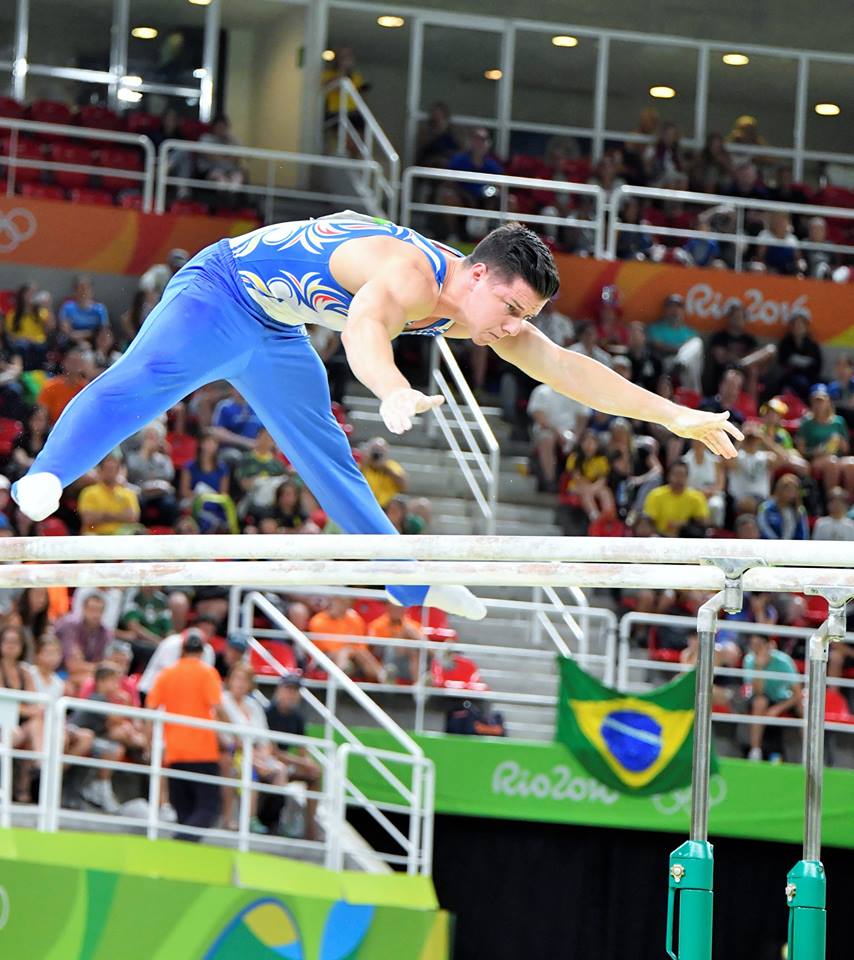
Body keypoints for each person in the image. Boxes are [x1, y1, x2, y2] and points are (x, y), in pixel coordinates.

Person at [12, 217, 740, 620]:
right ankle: (45, 476)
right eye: (513, 308)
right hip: (220, 290)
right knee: (144, 382)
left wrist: (673, 415)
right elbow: (364, 330)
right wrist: (391, 391)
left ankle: (408, 582)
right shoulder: (409, 274)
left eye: (526, 316)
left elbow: (568, 369)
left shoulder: (480, 312)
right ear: (477, 274)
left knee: (328, 457)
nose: (515, 326)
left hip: (276, 333)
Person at [146, 631, 226, 840]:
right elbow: (218, 706)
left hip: (175, 751)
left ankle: (181, 846)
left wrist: (148, 742)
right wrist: (232, 733)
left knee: (184, 811)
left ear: (182, 650)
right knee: (208, 808)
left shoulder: (167, 674)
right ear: (202, 651)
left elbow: (150, 709)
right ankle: (178, 842)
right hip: (203, 751)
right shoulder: (207, 672)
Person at [220, 662, 287, 833]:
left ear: (250, 684)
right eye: (237, 678)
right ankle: (249, 819)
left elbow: (265, 738)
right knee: (249, 768)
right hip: (234, 753)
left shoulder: (254, 705)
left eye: (244, 680)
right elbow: (226, 738)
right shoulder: (222, 701)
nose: (240, 683)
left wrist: (263, 756)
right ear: (230, 680)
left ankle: (272, 821)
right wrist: (253, 756)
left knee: (280, 770)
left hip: (256, 754)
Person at [67, 664, 132, 813]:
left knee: (116, 747)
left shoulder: (103, 699)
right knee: (111, 750)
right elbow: (116, 720)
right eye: (113, 681)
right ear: (101, 681)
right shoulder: (97, 699)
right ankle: (100, 789)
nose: (117, 686)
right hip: (77, 735)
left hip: (90, 738)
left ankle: (100, 787)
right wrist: (126, 702)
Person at [265, 675, 321, 841]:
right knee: (280, 771)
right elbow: (271, 751)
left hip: (283, 764)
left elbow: (302, 750)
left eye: (295, 691)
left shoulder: (297, 717)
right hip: (267, 763)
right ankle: (273, 823)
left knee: (314, 774)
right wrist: (301, 762)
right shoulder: (268, 713)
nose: (291, 694)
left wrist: (308, 764)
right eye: (288, 689)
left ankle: (311, 831)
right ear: (279, 691)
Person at [743, 633, 802, 761]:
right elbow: (758, 691)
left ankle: (810, 751)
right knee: (760, 702)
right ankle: (755, 752)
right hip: (761, 698)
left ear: (769, 646)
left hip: (782, 699)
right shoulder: (750, 660)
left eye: (759, 645)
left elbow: (798, 694)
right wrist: (758, 667)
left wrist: (777, 709)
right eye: (753, 645)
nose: (756, 649)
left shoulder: (784, 661)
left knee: (804, 706)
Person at [308, 595, 384, 682]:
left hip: (354, 656)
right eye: (334, 601)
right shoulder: (318, 621)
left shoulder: (355, 620)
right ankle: (338, 681)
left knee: (360, 654)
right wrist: (349, 648)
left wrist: (350, 649)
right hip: (324, 657)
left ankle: (383, 678)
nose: (334, 605)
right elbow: (330, 648)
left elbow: (361, 646)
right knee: (345, 652)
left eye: (339, 602)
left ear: (348, 604)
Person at [796, 384, 854, 497]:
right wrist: (814, 451)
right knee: (832, 462)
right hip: (815, 460)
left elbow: (846, 449)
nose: (819, 405)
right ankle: (832, 500)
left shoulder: (839, 422)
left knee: (851, 463)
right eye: (816, 401)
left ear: (828, 402)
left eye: (821, 401)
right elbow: (801, 451)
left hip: (836, 457)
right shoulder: (806, 423)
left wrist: (841, 442)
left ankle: (849, 501)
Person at [646, 294, 704, 393]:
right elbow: (658, 346)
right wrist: (682, 349)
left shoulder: (690, 332)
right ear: (665, 310)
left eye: (678, 307)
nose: (674, 310)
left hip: (685, 366)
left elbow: (695, 351)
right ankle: (693, 394)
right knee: (688, 362)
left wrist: (681, 354)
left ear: (683, 311)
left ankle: (681, 362)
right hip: (666, 362)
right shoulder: (656, 328)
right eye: (671, 307)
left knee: (697, 343)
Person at [77, 454, 141, 535]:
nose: (110, 473)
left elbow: (133, 518)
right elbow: (88, 519)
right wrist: (120, 516)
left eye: (113, 469)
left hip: (121, 535)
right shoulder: (88, 492)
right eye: (108, 469)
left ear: (118, 471)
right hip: (96, 535)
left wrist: (102, 516)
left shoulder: (128, 493)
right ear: (100, 471)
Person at [643, 460, 710, 537]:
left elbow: (704, 522)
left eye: (682, 475)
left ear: (687, 477)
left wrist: (684, 525)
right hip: (661, 537)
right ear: (668, 476)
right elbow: (648, 522)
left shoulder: (696, 496)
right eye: (676, 475)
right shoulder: (656, 495)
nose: (679, 479)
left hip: (687, 538)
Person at [368, 601, 428, 682]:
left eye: (400, 607)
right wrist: (400, 635)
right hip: (387, 663)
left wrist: (413, 636)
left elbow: (423, 645)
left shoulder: (413, 625)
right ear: (388, 607)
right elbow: (373, 649)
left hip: (409, 664)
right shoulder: (377, 625)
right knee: (404, 641)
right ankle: (387, 678)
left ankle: (419, 684)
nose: (397, 610)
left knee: (414, 648)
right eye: (395, 607)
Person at [5, 283, 53, 370]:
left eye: (34, 293)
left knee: (40, 348)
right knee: (23, 347)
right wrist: (25, 339)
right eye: (29, 293)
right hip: (21, 343)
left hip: (38, 343)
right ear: (22, 295)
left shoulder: (41, 312)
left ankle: (39, 372)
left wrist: (48, 307)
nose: (32, 296)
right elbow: (10, 334)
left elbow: (50, 328)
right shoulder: (13, 314)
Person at [36, 347, 89, 426]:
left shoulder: (86, 388)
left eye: (78, 362)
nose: (74, 365)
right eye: (72, 361)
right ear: (64, 363)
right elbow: (41, 415)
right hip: (54, 428)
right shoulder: (51, 386)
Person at [58, 275, 109, 346]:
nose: (84, 291)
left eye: (87, 288)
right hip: (72, 341)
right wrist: (80, 341)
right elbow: (65, 329)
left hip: (94, 342)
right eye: (81, 288)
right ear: (75, 291)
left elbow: (104, 330)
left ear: (92, 291)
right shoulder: (67, 307)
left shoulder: (100, 309)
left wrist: (85, 335)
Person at [756, 473, 809, 540]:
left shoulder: (800, 510)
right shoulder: (765, 507)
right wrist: (776, 541)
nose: (791, 494)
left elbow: (803, 533)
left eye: (794, 490)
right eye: (788, 490)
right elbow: (763, 527)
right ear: (780, 490)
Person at [360, 437, 406, 508]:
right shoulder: (362, 465)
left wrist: (385, 468)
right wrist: (365, 463)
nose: (377, 455)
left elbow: (403, 486)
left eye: (380, 452)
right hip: (363, 504)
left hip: (385, 507)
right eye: (374, 451)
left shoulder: (391, 466)